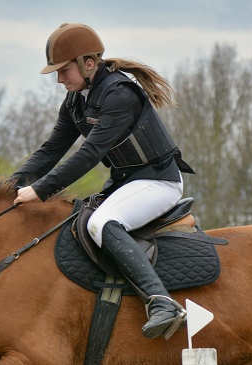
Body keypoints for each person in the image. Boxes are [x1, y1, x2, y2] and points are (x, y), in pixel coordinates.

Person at [11, 23, 195, 339]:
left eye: (63, 70)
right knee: (76, 222)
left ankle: (162, 302)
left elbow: (90, 154)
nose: (59, 79)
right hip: (126, 183)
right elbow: (51, 150)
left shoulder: (119, 95)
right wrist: (10, 186)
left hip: (158, 181)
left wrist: (40, 190)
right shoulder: (76, 102)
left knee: (102, 223)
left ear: (88, 64)